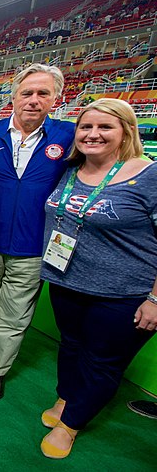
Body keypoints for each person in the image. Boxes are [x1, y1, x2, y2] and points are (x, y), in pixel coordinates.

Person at [38, 98, 157, 459]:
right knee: (71, 345)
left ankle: (72, 423)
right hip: (67, 281)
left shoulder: (148, 175)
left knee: (102, 360)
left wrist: (155, 299)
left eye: (104, 127)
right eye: (86, 127)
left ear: (126, 132)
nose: (93, 134)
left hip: (122, 292)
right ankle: (66, 396)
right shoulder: (72, 170)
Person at [0, 64, 75, 402]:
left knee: (15, 313)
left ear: (56, 99)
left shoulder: (68, 136)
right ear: (13, 97)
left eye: (43, 93)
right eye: (27, 93)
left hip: (34, 244)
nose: (33, 100)